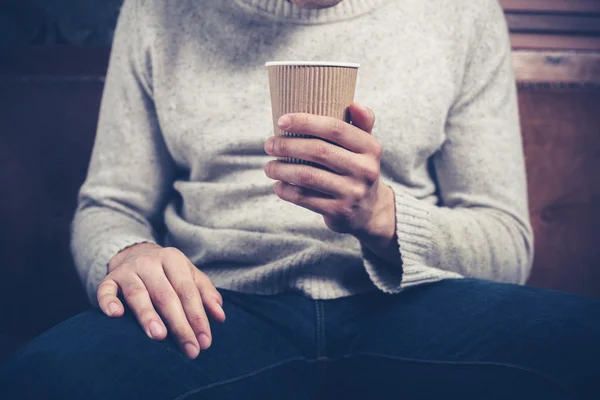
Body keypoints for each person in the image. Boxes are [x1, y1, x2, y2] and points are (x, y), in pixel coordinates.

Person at [1, 0, 599, 398]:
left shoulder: (461, 12)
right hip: (214, 311)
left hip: (413, 306)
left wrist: (384, 218)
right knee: (41, 376)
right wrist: (128, 253)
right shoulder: (159, 9)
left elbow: (506, 241)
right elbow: (109, 202)